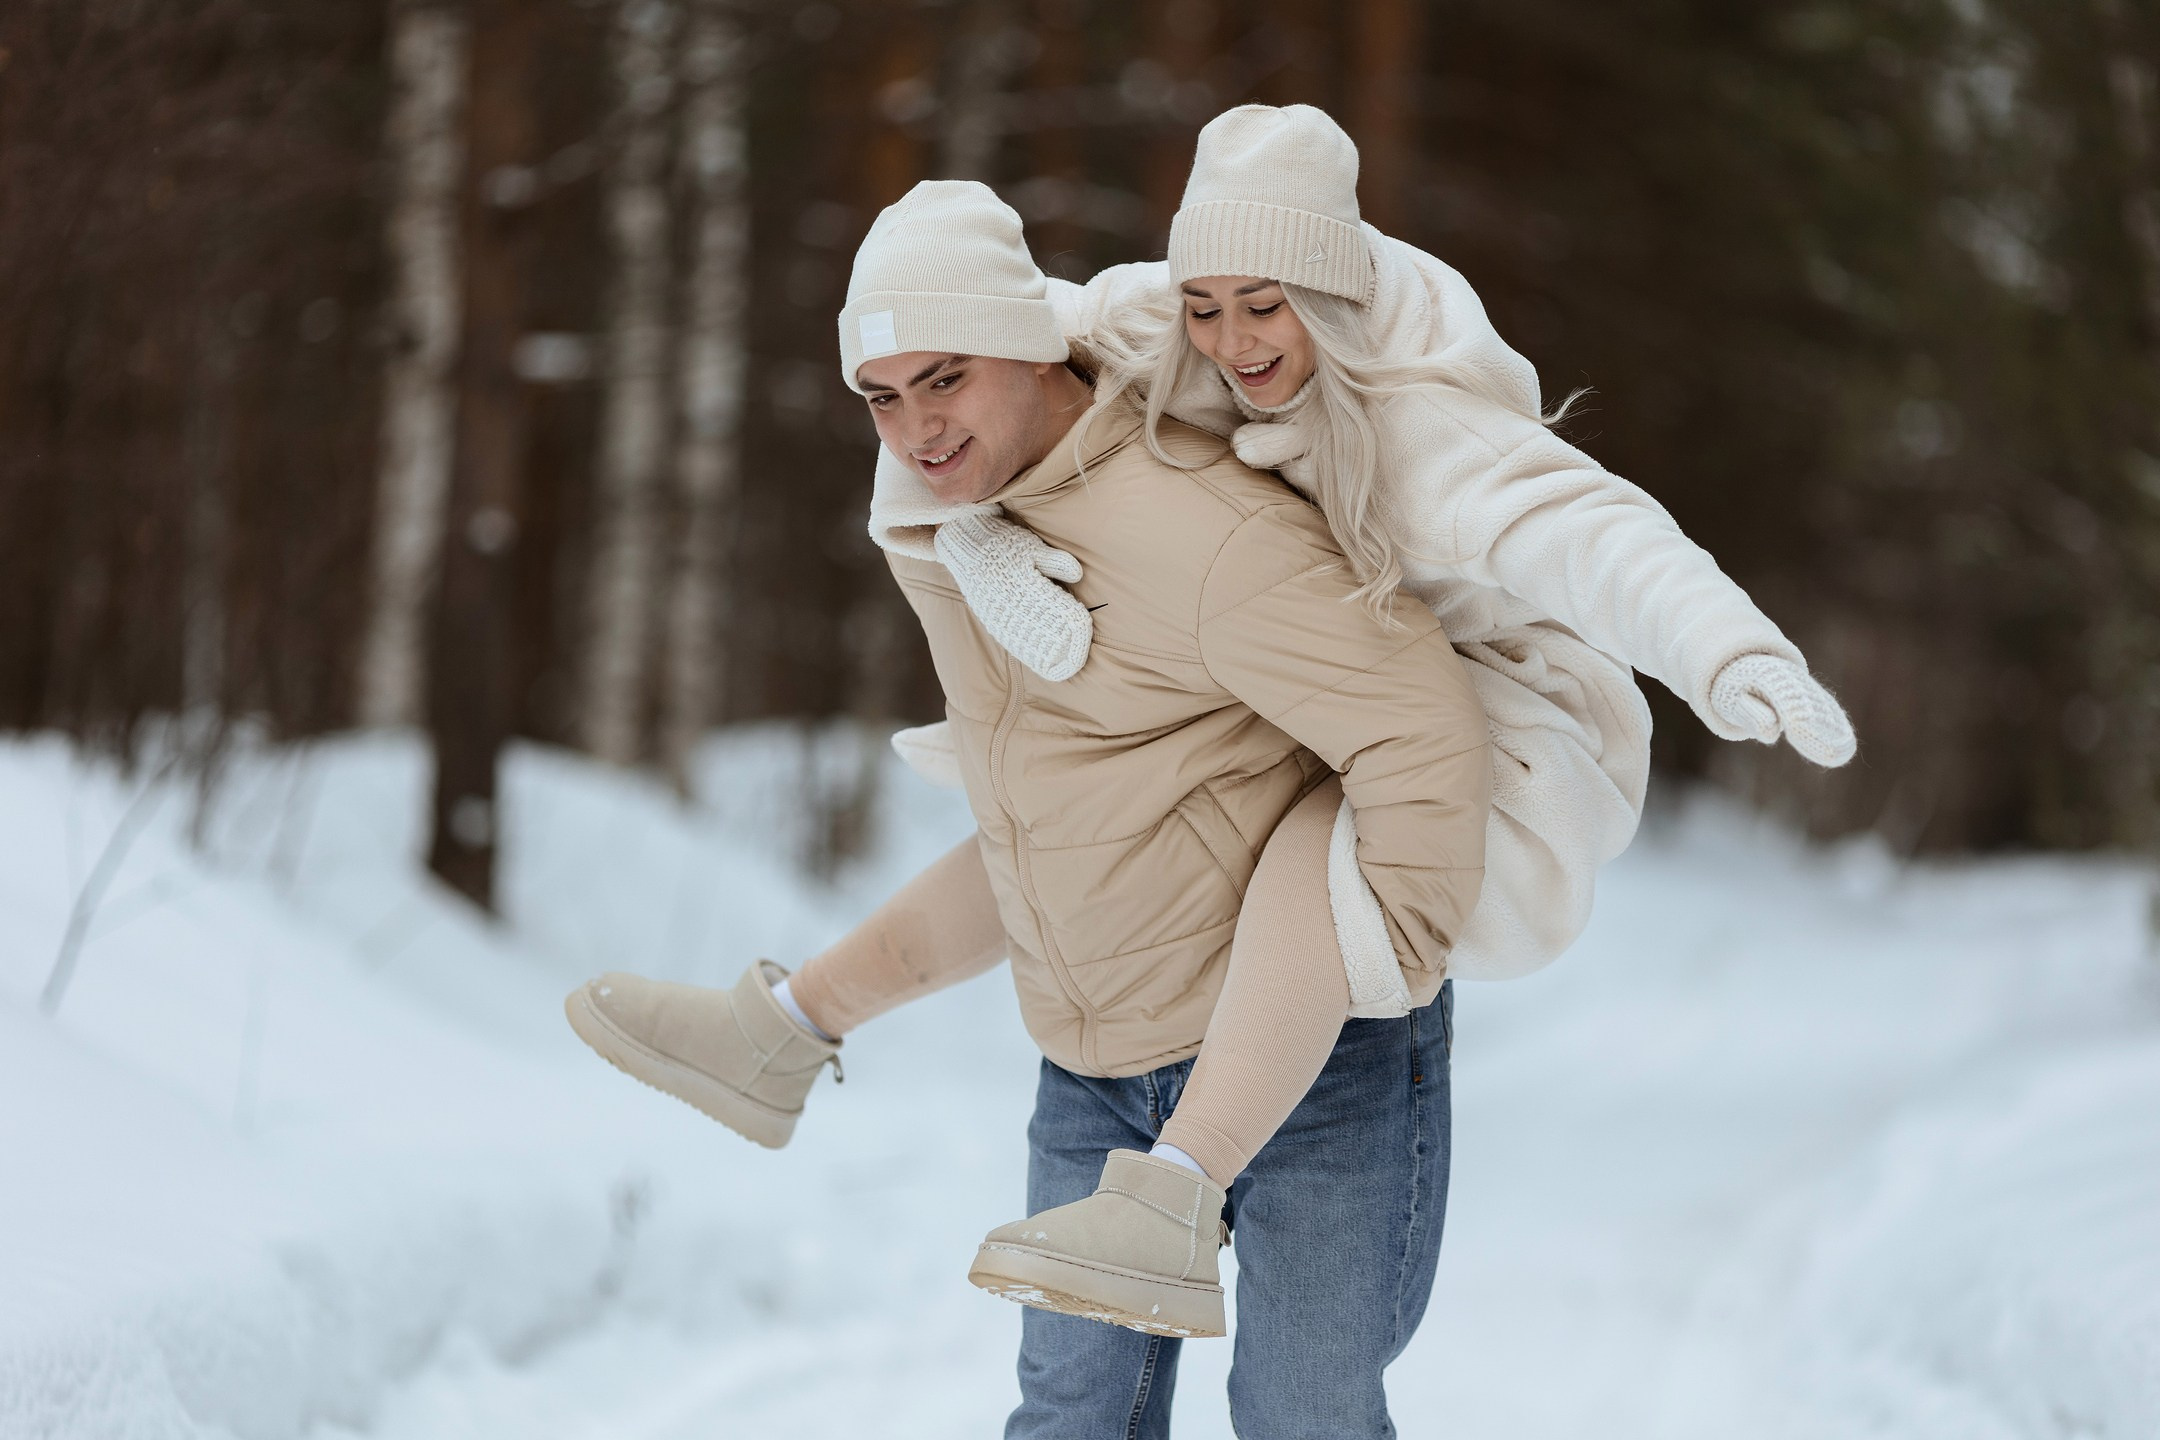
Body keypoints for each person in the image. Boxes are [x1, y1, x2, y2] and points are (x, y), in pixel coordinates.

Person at [570, 176, 1493, 1437]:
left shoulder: (1204, 530)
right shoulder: (966, 530)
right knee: (1070, 1422)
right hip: (1096, 1070)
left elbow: (1423, 731)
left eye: (944, 378)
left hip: (1316, 1072)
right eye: (881, 396)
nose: (915, 429)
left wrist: (1387, 958)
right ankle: (779, 1030)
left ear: (1029, 347)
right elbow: (1044, 827)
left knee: (1304, 1415)